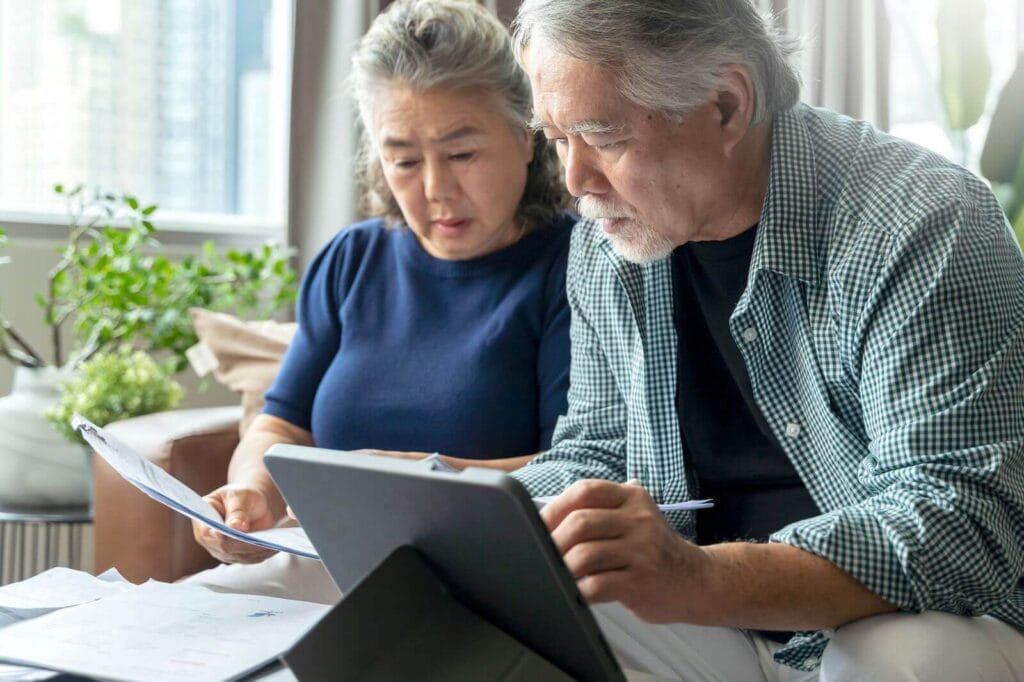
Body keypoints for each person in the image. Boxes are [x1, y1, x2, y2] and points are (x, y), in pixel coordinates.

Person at [509, 0, 1024, 679]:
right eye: (557, 139)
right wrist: (467, 522)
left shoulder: (923, 223)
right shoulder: (607, 250)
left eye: (602, 138)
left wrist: (695, 577)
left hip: (916, 623)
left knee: (903, 656)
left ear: (726, 104)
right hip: (717, 621)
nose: (576, 182)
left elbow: (961, 526)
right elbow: (597, 452)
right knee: (497, 603)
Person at [188, 0, 573, 603]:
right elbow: (281, 422)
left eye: (462, 153)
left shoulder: (576, 270)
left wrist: (414, 477)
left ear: (528, 136)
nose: (436, 190)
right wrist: (252, 493)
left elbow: (578, 463)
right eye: (403, 160)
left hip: (489, 581)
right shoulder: (352, 259)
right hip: (332, 562)